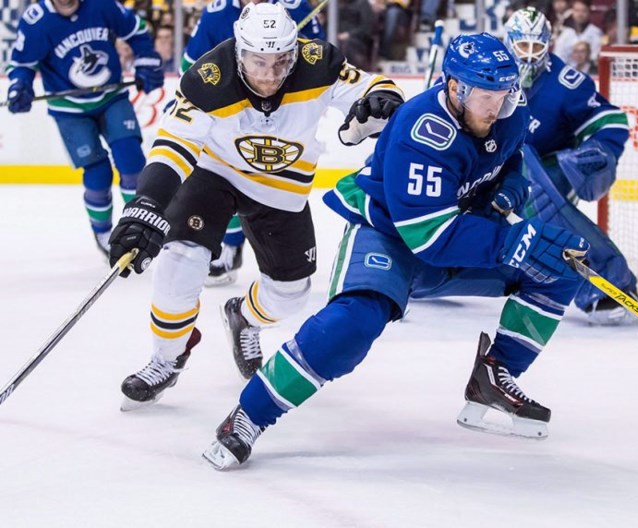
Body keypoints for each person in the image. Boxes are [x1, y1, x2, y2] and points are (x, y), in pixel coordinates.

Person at [201, 33, 590, 470]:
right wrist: (513, 242)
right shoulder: (420, 130)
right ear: (454, 87)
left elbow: (509, 161)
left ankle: (495, 377)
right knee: (354, 322)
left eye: (503, 95)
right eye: (485, 96)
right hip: (389, 235)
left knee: (559, 266)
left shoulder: (509, 114)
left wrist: (509, 195)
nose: (496, 108)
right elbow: (429, 237)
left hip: (456, 232)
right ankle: (247, 417)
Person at [108, 2, 403, 410]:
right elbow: (173, 146)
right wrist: (146, 204)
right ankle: (166, 358)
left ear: (295, 52)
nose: (269, 74)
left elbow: (373, 86)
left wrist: (382, 99)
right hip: (216, 174)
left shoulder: (319, 62)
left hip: (281, 187)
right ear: (238, 51)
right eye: (258, 61)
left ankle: (244, 316)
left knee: (291, 295)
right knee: (179, 262)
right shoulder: (208, 78)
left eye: (280, 61)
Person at [496, 7, 635, 325]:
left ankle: (606, 284)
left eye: (537, 47)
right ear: (509, 43)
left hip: (542, 177)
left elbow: (610, 120)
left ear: (548, 44)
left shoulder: (566, 83)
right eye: (523, 47)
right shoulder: (489, 73)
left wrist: (599, 151)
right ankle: (409, 269)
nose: (530, 56)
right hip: (484, 168)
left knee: (533, 184)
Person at [181, 0, 327, 286]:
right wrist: (183, 104)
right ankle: (232, 247)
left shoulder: (294, 7)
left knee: (274, 186)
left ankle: (278, 264)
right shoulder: (217, 13)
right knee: (229, 176)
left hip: (283, 113)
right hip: (230, 110)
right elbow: (191, 65)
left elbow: (318, 59)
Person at [5, 0, 164, 257]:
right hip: (69, 109)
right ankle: (103, 231)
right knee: (98, 173)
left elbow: (136, 29)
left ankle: (140, 224)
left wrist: (145, 60)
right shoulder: (36, 21)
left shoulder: (100, 4)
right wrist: (19, 87)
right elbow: (22, 64)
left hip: (111, 96)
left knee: (132, 161)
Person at [553, 0, 602, 64]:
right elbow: (558, 56)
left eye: (583, 11)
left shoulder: (596, 33)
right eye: (577, 10)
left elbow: (595, 59)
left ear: (589, 12)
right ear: (572, 12)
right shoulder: (565, 33)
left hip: (588, 72)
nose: (580, 14)